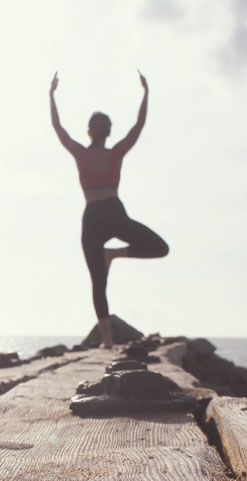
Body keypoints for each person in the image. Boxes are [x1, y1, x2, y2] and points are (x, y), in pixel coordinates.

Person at [49, 70, 169, 349]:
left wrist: (51, 96)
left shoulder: (82, 153)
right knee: (159, 248)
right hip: (113, 213)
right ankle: (114, 255)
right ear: (107, 131)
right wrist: (146, 94)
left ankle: (107, 341)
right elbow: (138, 127)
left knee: (97, 281)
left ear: (89, 130)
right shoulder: (114, 153)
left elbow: (58, 129)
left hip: (94, 216)